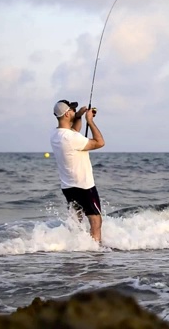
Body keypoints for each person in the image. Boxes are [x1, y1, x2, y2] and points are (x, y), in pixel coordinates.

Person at [50, 99, 105, 243]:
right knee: (96, 221)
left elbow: (74, 131)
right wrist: (90, 121)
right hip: (84, 186)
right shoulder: (71, 138)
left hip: (68, 187)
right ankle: (95, 254)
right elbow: (100, 142)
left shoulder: (56, 135)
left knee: (77, 221)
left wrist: (79, 116)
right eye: (73, 110)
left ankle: (76, 252)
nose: (75, 111)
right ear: (67, 114)